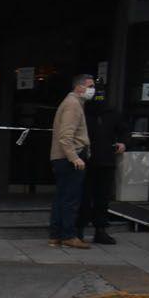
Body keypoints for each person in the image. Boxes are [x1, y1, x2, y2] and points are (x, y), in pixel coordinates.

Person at [78, 87, 129, 245]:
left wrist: (123, 142)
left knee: (102, 198)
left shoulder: (112, 113)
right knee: (84, 197)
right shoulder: (83, 112)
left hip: (106, 160)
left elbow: (124, 130)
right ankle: (79, 229)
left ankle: (100, 230)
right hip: (86, 161)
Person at [48, 74, 94, 250]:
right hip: (69, 159)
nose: (92, 90)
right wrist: (74, 157)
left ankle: (56, 235)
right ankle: (68, 235)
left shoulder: (73, 103)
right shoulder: (73, 105)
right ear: (79, 87)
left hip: (63, 158)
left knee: (62, 197)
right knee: (70, 199)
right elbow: (66, 136)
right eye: (89, 86)